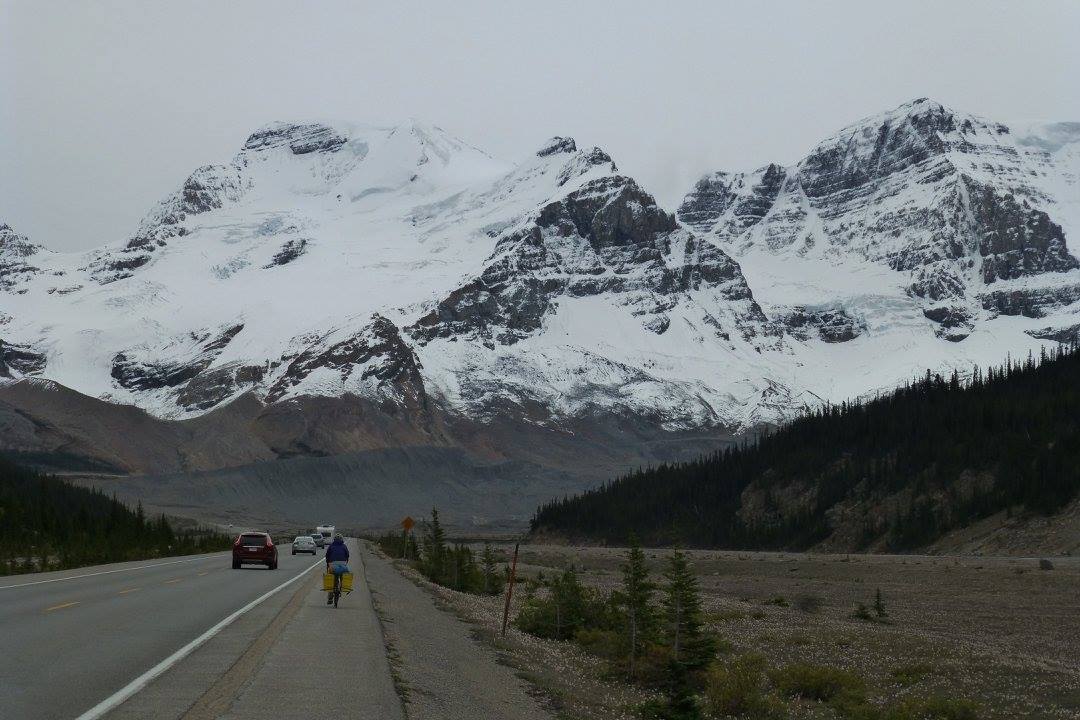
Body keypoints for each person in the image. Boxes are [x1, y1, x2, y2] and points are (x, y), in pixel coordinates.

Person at [324, 533, 350, 605]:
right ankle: (343, 586)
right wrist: (345, 562)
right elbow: (347, 555)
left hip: (332, 566)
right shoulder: (344, 546)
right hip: (343, 565)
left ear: (334, 539)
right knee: (343, 576)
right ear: (342, 539)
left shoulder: (331, 546)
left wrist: (328, 564)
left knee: (331, 580)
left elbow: (327, 556)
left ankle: (330, 598)